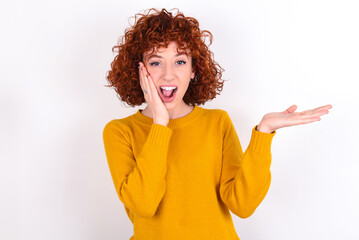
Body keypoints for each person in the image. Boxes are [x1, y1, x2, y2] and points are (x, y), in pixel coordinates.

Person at [102, 8, 332, 240]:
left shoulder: (217, 122)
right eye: (156, 63)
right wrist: (160, 124)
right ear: (140, 70)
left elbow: (242, 205)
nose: (168, 75)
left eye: (180, 61)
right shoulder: (120, 132)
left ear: (193, 70)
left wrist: (264, 131)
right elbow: (143, 204)